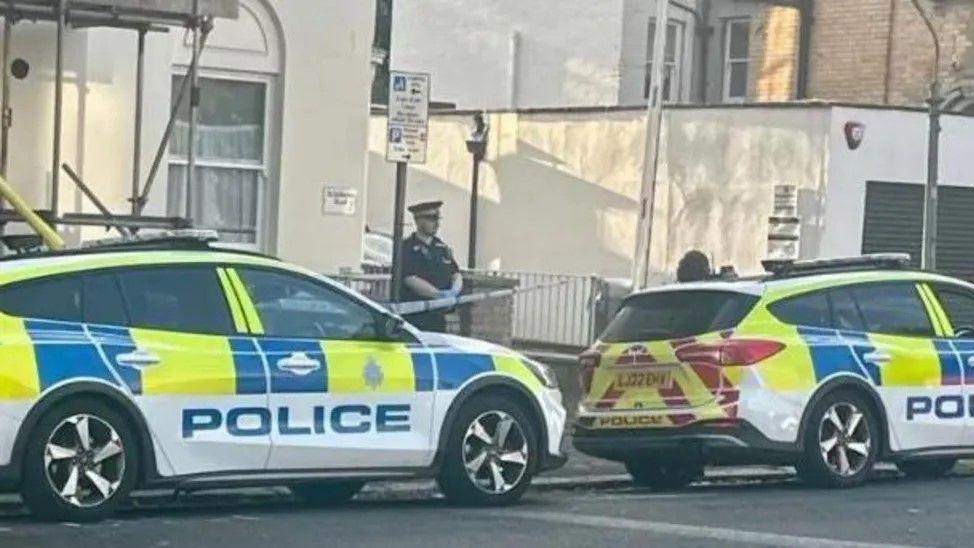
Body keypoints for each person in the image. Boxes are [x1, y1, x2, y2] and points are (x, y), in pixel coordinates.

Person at [398, 201, 463, 332]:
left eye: (437, 218)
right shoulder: (406, 247)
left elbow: (455, 273)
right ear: (418, 221)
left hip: (439, 317)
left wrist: (454, 292)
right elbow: (410, 278)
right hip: (416, 317)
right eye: (431, 219)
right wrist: (439, 295)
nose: (436, 224)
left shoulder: (441, 247)